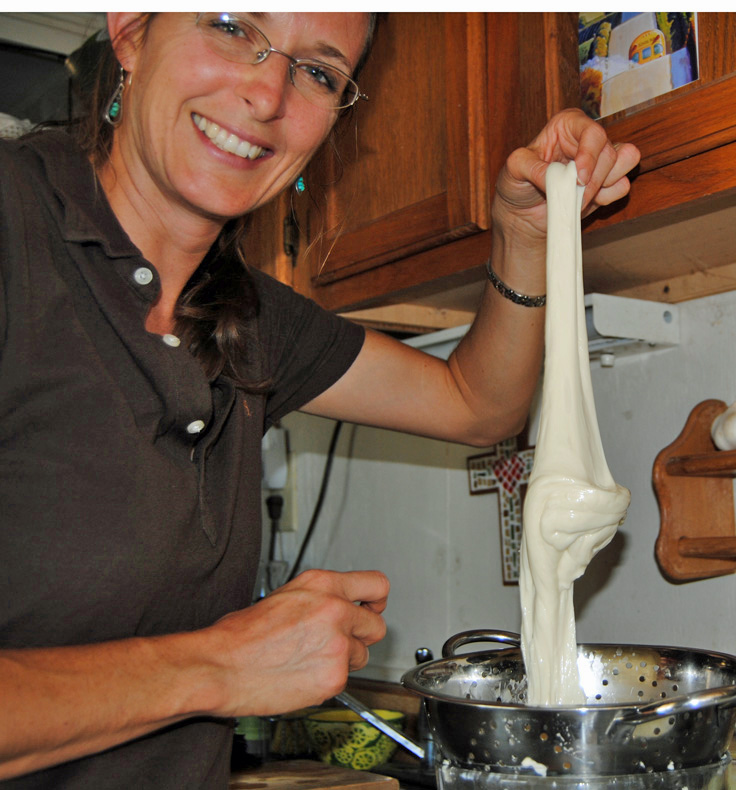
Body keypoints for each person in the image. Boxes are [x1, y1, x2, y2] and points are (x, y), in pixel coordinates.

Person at [0, 11, 640, 788]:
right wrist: (222, 666)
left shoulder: (247, 318)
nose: (268, 93)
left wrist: (525, 234)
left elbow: (477, 404)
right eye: (232, 26)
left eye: (317, 72)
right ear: (132, 29)